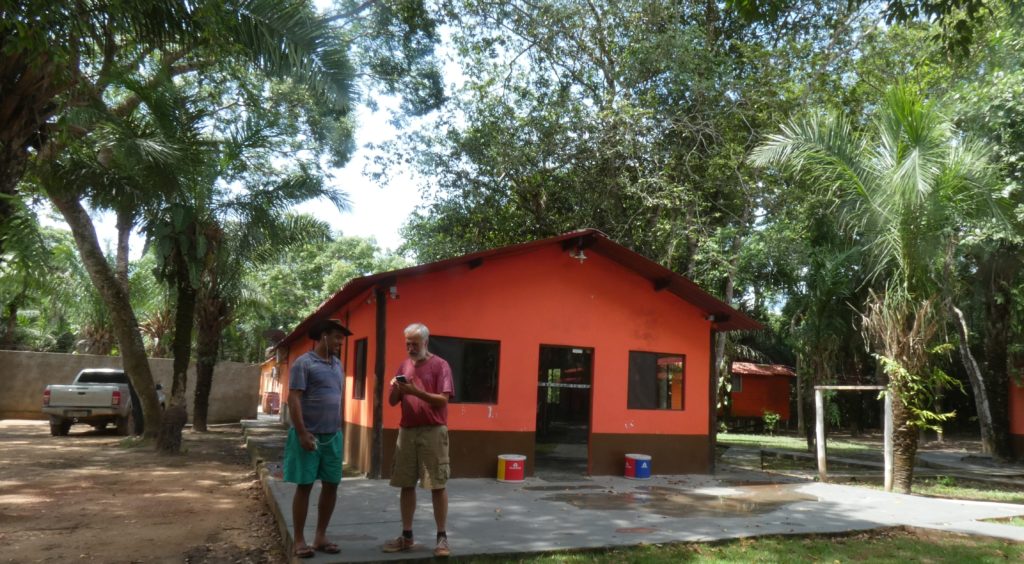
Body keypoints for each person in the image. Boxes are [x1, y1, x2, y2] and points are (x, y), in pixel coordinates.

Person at [382, 322, 454, 558]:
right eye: (407, 344)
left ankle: (442, 538)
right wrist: (397, 388)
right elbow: (393, 402)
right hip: (407, 431)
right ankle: (407, 536)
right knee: (405, 483)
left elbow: (443, 400)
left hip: (433, 431)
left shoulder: (441, 365)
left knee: (437, 484)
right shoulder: (404, 365)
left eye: (414, 344)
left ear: (425, 342)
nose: (410, 348)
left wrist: (416, 392)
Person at [283, 318, 351, 558]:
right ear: (324, 336)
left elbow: (338, 397)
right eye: (336, 338)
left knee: (332, 485)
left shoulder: (337, 365)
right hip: (308, 434)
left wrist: (340, 428)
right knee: (305, 485)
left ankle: (320, 536)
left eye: (341, 339)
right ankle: (299, 540)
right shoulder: (303, 363)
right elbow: (294, 399)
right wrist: (301, 432)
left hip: (333, 436)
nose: (340, 343)